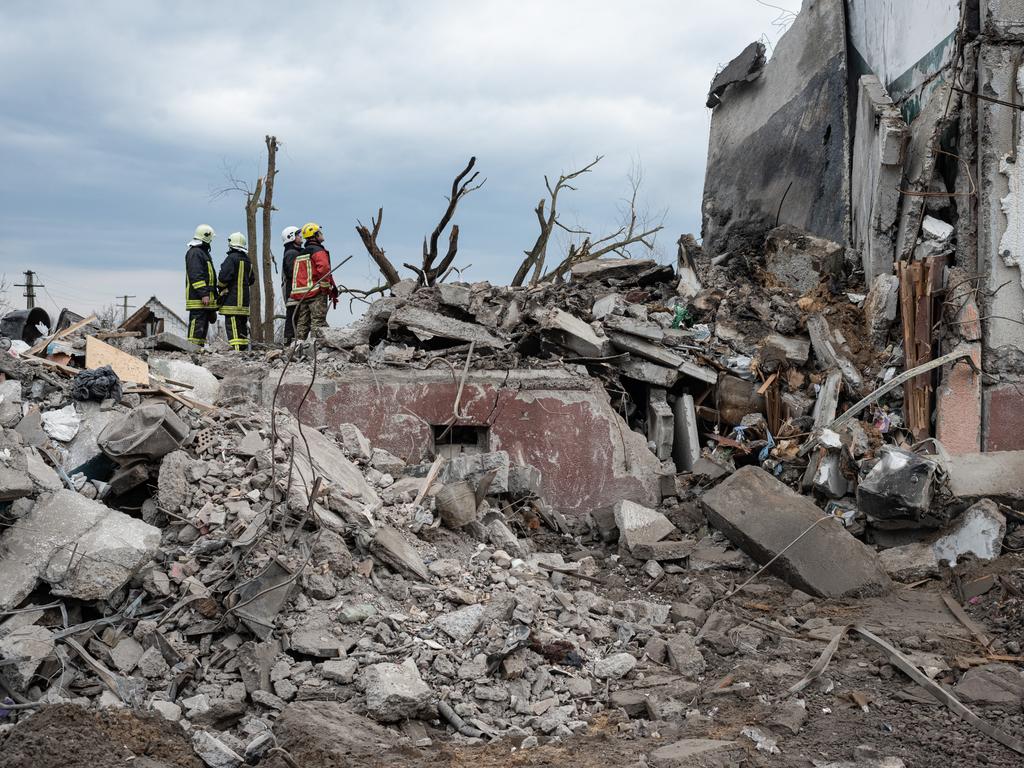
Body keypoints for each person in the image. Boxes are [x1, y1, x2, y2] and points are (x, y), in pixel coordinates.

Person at [290, 222, 339, 340]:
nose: (322, 234)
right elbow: (324, 269)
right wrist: (326, 289)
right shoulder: (318, 251)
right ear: (315, 235)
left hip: (303, 294)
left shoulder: (300, 254)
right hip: (316, 292)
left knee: (303, 322)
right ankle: (315, 348)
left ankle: (297, 347)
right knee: (318, 321)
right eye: (320, 232)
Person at [217, 232, 256, 351]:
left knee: (233, 327)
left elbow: (223, 278)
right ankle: (243, 350)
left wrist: (221, 287)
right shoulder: (248, 261)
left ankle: (236, 351)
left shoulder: (230, 259)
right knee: (242, 328)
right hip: (244, 303)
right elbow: (251, 279)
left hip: (231, 302)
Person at [184, 224, 219, 347]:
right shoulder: (195, 253)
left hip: (204, 299)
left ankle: (199, 350)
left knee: (202, 327)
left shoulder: (202, 253)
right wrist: (204, 294)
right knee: (197, 325)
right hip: (198, 298)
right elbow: (196, 275)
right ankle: (192, 349)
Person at [280, 225, 302, 343]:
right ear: (291, 237)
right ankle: (289, 342)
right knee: (292, 317)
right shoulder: (291, 253)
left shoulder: (294, 252)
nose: (301, 236)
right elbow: (292, 272)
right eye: (298, 235)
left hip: (294, 291)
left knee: (295, 317)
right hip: (292, 292)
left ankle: (292, 342)